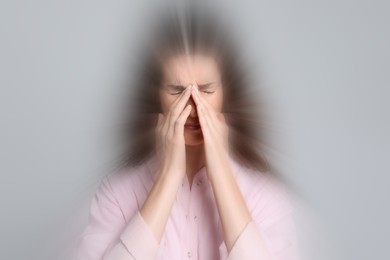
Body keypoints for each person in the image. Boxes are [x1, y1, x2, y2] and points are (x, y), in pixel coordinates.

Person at [75, 4, 300, 260]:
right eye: (177, 91)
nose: (192, 107)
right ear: (156, 95)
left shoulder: (267, 197)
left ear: (226, 93)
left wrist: (222, 174)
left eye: (205, 90)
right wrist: (169, 177)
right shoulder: (117, 194)